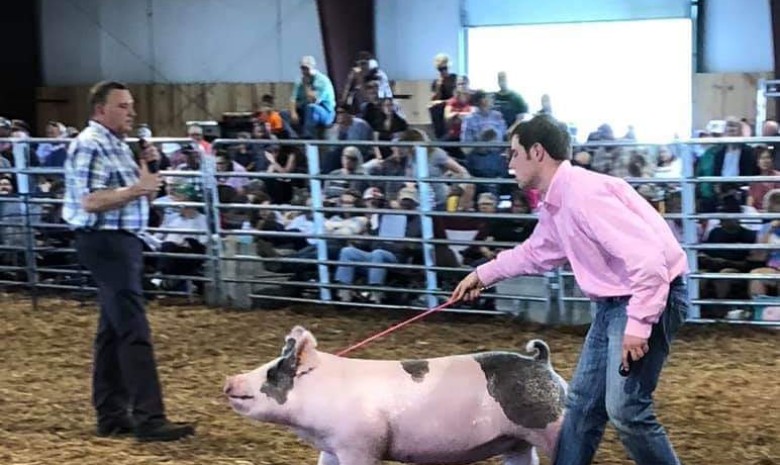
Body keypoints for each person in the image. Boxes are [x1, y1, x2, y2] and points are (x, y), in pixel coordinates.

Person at [451, 114, 688, 465]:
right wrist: (484, 275)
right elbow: (538, 252)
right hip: (617, 303)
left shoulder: (583, 195)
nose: (509, 162)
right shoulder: (560, 200)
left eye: (514, 153)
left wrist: (638, 325)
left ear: (537, 152)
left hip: (645, 297)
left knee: (626, 411)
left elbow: (648, 262)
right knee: (582, 405)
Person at [62, 80, 195, 442]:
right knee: (134, 329)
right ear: (99, 110)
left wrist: (148, 171)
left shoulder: (117, 145)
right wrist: (137, 189)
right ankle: (150, 418)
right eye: (123, 106)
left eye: (131, 106)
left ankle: (111, 413)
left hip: (122, 242)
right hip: (106, 242)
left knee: (112, 331)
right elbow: (90, 201)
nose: (131, 112)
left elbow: (141, 191)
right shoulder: (91, 145)